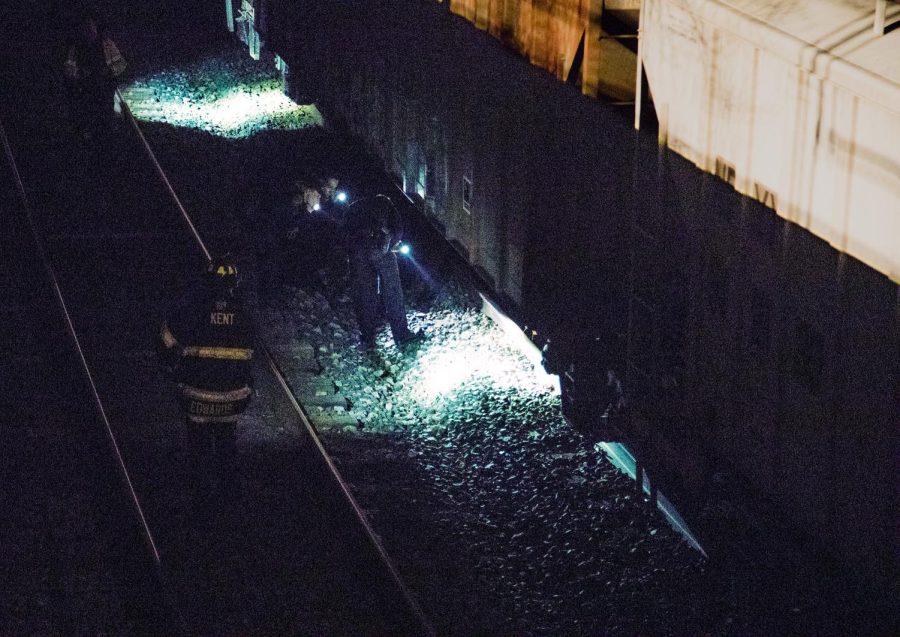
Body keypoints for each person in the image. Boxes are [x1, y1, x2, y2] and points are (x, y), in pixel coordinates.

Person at [159, 256, 254, 495]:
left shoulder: (189, 307)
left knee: (198, 443)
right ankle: (229, 488)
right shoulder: (245, 311)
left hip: (196, 393)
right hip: (233, 397)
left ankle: (199, 491)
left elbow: (166, 340)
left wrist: (171, 370)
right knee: (226, 440)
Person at [344, 194, 422, 349]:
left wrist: (353, 253)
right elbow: (398, 229)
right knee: (393, 292)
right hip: (383, 248)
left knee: (366, 294)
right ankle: (401, 335)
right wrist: (388, 244)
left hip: (359, 253)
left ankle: (368, 339)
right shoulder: (387, 203)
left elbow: (344, 233)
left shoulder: (352, 208)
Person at [64, 12, 126, 142]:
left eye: (91, 27)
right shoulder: (76, 48)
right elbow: (69, 70)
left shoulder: (106, 44)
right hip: (86, 90)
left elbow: (121, 64)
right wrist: (79, 74)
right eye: (86, 28)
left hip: (105, 89)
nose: (89, 31)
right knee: (90, 117)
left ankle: (108, 136)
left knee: (106, 118)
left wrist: (109, 71)